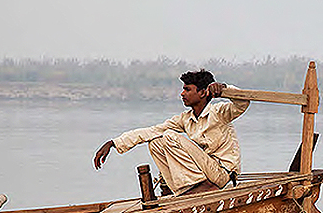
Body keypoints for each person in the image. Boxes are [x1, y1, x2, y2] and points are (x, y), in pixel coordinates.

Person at [93, 69, 249, 196]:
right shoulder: (185, 119)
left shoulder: (219, 112)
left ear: (202, 93)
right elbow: (151, 131)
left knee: (169, 136)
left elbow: (242, 103)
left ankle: (200, 187)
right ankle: (183, 190)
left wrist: (225, 89)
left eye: (187, 90)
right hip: (207, 171)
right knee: (155, 142)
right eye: (183, 89)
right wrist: (113, 143)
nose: (182, 94)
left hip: (222, 174)